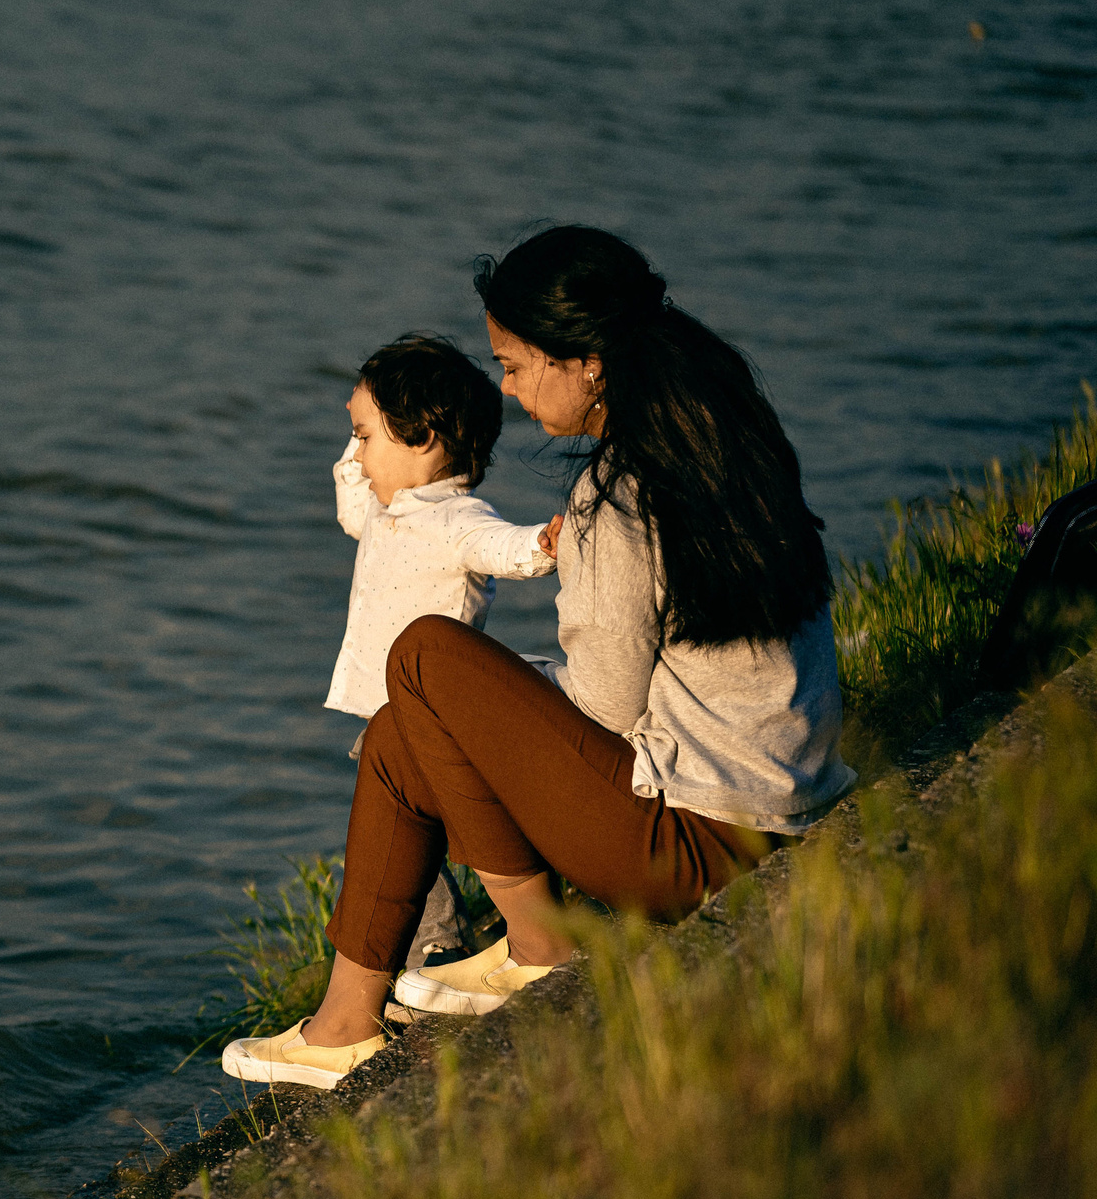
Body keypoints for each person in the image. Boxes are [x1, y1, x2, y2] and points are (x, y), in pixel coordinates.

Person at [226, 226, 856, 1090]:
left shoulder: (620, 495)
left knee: (423, 659)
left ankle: (539, 945)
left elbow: (601, 708)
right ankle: (343, 1027)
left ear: (586, 360)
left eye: (514, 365)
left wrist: (486, 696)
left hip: (693, 845)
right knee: (404, 728)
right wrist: (491, 699)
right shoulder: (722, 449)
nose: (507, 388)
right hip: (773, 805)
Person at [325, 334, 556, 965]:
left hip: (427, 712)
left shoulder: (456, 517)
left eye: (368, 435)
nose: (360, 454)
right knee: (427, 827)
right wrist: (357, 433)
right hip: (389, 711)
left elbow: (501, 548)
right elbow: (351, 502)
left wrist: (546, 541)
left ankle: (440, 945)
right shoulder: (386, 509)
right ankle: (445, 939)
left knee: (414, 829)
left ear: (421, 438)